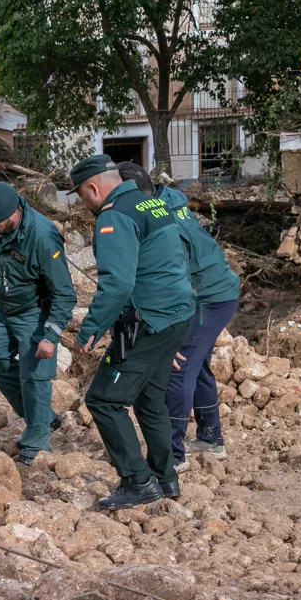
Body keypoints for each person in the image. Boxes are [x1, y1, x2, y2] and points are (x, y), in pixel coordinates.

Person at [71, 154, 196, 510]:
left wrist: (89, 330)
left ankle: (137, 482)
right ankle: (165, 477)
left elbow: (117, 284)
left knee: (104, 400)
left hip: (149, 321)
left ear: (93, 188)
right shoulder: (151, 201)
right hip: (178, 312)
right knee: (148, 399)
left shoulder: (114, 216)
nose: (84, 203)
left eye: (81, 195)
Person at [116, 162, 241, 470]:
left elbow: (170, 276)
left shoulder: (161, 220)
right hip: (216, 290)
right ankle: (211, 438)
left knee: (178, 369)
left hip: (208, 297)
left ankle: (173, 455)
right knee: (196, 366)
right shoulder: (164, 202)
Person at [0, 181, 77, 466]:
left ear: (14, 213)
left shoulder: (42, 235)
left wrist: (51, 335)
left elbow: (65, 293)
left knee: (34, 376)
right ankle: (42, 418)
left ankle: (36, 444)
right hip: (3, 307)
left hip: (33, 310)